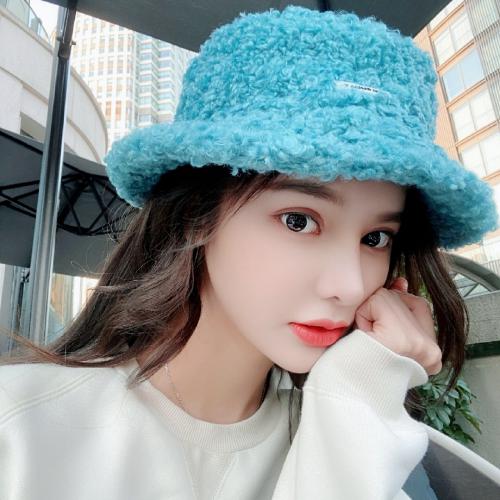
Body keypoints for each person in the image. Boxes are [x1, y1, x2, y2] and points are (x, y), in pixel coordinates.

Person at [1, 6, 499, 499]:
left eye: (376, 239)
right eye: (299, 221)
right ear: (195, 214)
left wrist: (359, 395)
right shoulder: (20, 431)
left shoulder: (359, 429)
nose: (349, 286)